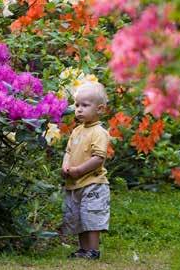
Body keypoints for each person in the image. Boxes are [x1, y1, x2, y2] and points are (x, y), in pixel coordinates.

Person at [61, 81, 110, 260]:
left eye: (85, 105)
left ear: (100, 109)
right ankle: (83, 249)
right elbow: (68, 152)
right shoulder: (76, 131)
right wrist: (65, 166)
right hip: (74, 183)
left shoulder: (99, 132)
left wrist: (80, 170)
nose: (79, 109)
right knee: (78, 217)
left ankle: (93, 250)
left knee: (91, 216)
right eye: (77, 105)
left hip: (93, 184)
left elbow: (98, 158)